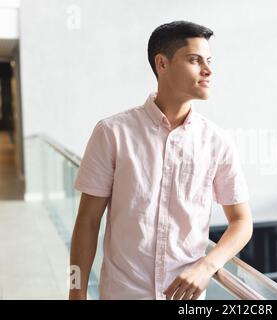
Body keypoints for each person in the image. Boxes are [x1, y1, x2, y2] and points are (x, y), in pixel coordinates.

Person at [69, 20, 253, 300]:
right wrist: (75, 290)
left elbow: (241, 222)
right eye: (195, 60)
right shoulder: (112, 133)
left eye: (209, 60)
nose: (208, 70)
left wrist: (207, 266)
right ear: (162, 64)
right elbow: (87, 222)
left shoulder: (217, 142)